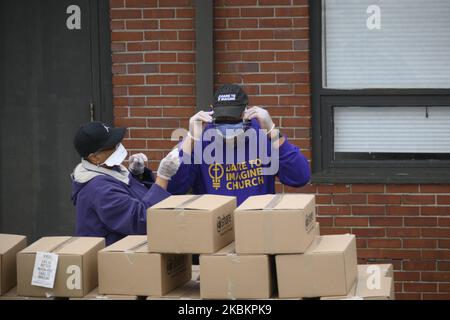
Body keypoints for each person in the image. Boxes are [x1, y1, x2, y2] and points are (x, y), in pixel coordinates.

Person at [168, 84, 311, 205]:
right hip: (214, 225)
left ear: (245, 112)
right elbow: (174, 188)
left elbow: (300, 177)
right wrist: (190, 138)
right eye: (223, 118)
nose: (228, 125)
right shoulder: (201, 140)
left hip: (256, 223)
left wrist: (272, 132)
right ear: (212, 112)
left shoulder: (262, 135)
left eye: (233, 117)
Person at [71, 121, 179, 245]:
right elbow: (141, 221)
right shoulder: (98, 189)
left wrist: (137, 175)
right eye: (113, 145)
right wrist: (163, 178)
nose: (119, 147)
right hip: (114, 258)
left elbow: (130, 195)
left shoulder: (108, 168)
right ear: (94, 157)